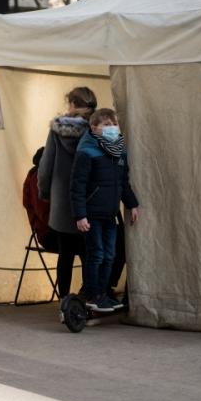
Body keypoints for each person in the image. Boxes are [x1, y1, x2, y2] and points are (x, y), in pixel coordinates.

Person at [70, 108, 140, 312]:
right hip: (91, 215)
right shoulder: (86, 151)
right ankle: (92, 295)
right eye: (106, 125)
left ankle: (102, 294)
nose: (111, 128)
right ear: (94, 128)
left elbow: (122, 182)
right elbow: (77, 186)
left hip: (110, 214)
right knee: (97, 254)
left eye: (113, 124)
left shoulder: (119, 152)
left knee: (110, 255)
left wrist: (132, 203)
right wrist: (80, 215)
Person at [38, 87, 96, 299]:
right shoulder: (98, 128)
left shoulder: (57, 129)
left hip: (63, 202)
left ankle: (64, 301)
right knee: (89, 252)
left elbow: (46, 166)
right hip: (90, 200)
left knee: (66, 254)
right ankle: (90, 297)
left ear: (72, 105)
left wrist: (44, 193)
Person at [22, 147, 57, 251]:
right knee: (87, 244)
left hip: (54, 231)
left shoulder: (44, 177)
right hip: (48, 234)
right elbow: (44, 213)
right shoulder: (38, 179)